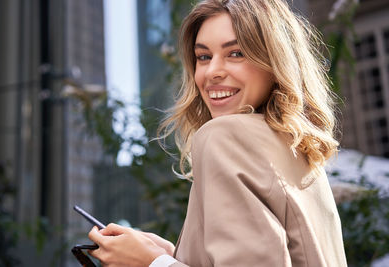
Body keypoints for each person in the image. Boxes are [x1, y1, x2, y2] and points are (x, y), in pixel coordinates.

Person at [88, 0, 348, 266]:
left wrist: (152, 263)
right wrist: (172, 254)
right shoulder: (300, 152)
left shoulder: (224, 135)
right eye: (203, 57)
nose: (212, 72)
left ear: (273, 60)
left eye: (235, 53)